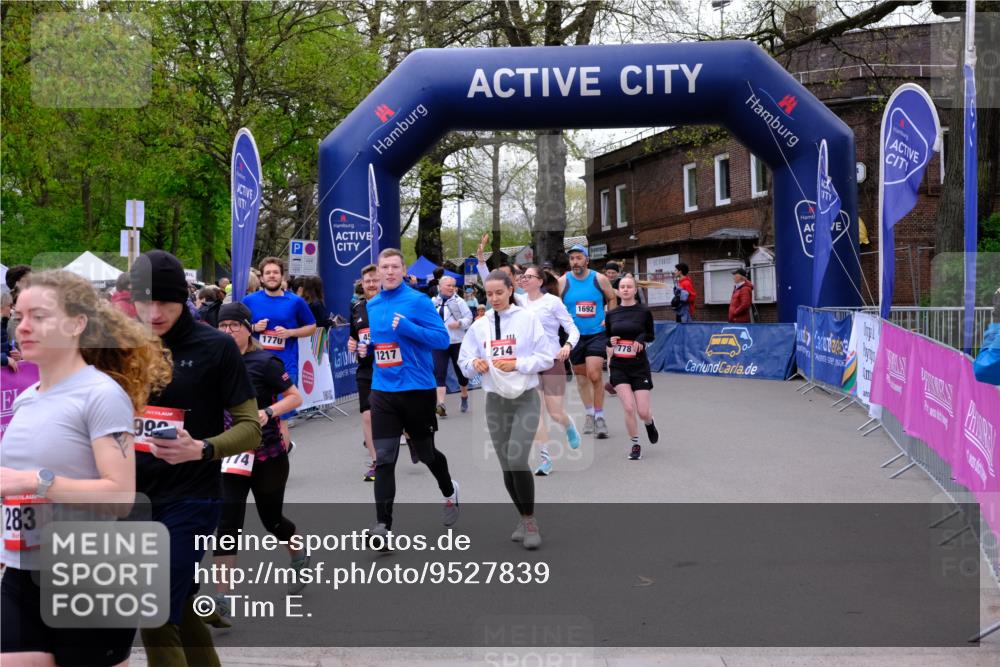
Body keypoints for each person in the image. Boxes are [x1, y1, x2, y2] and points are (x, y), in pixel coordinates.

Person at [1, 269, 171, 667]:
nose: (23, 327)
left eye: (39, 316)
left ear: (78, 324)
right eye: (20, 316)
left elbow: (119, 496)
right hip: (23, 573)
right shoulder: (28, 398)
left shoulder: (101, 396)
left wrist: (32, 481)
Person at [130, 250, 261, 667]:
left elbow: (250, 427)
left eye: (164, 302)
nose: (154, 313)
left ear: (182, 299)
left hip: (193, 497)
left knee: (153, 606)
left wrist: (202, 448)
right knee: (179, 603)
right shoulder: (122, 345)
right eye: (145, 302)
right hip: (132, 500)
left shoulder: (215, 346)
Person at [209, 303, 308, 625]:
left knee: (272, 521)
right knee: (227, 525)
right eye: (222, 326)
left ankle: (298, 553)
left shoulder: (264, 362)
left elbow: (295, 397)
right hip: (232, 455)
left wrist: (269, 412)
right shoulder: (214, 363)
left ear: (247, 328)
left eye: (234, 326)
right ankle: (222, 598)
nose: (227, 332)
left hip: (268, 455)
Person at [365, 248, 459, 542]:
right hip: (383, 389)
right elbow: (381, 345)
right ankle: (383, 526)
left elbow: (441, 339)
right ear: (378, 271)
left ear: (404, 270)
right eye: (385, 267)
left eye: (395, 267)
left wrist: (408, 327)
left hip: (417, 389)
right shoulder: (373, 304)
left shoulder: (418, 301)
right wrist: (364, 349)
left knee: (427, 453)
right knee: (384, 458)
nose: (390, 272)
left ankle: (449, 491)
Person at [459, 270, 555, 549]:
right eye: (489, 294)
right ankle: (522, 517)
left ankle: (530, 521)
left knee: (517, 459)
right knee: (507, 466)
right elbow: (464, 362)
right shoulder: (479, 325)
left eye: (499, 292)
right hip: (495, 402)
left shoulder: (528, 319)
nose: (494, 298)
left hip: (525, 398)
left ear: (511, 290)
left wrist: (517, 364)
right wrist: (474, 364)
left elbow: (546, 358)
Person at [243, 257, 316, 450]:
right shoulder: (249, 301)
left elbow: (311, 327)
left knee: (281, 418)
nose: (272, 276)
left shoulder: (295, 301)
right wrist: (253, 327)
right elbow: (237, 327)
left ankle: (282, 457)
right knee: (255, 416)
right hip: (255, 366)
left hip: (285, 365)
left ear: (282, 276)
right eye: (268, 273)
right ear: (261, 278)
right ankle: (261, 457)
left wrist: (291, 332)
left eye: (275, 272)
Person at [518, 265, 581, 476]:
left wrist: (568, 346)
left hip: (553, 360)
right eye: (523, 276)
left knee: (555, 412)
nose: (524, 279)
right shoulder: (518, 301)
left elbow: (572, 328)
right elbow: (495, 285)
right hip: (530, 363)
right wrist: (482, 264)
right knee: (536, 413)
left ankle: (568, 424)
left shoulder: (552, 302)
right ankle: (545, 459)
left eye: (529, 276)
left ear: (540, 281)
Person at [559, 244, 617, 439]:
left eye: (579, 258)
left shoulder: (599, 279)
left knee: (594, 374)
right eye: (572, 259)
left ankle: (600, 417)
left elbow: (611, 298)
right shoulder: (562, 282)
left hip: (596, 333)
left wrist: (609, 317)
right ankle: (590, 414)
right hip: (574, 337)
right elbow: (554, 306)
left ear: (587, 260)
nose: (575, 262)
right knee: (582, 378)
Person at [605, 274, 658, 461]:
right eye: (622, 287)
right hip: (619, 365)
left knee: (642, 411)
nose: (626, 289)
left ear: (635, 290)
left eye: (629, 286)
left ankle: (649, 422)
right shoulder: (611, 314)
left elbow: (651, 335)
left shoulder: (644, 312)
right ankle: (635, 445)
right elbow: (607, 337)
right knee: (629, 408)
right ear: (618, 291)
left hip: (639, 366)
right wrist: (610, 341)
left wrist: (641, 339)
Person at [347, 264, 382, 482]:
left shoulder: (390, 305)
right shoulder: (357, 307)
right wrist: (351, 345)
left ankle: (410, 435)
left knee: (400, 413)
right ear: (362, 283)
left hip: (390, 368)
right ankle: (376, 462)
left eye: (375, 280)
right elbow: (354, 337)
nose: (371, 284)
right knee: (368, 416)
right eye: (367, 281)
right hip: (366, 369)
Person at [431, 275, 473, 416]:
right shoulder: (433, 302)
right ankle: (441, 405)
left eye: (453, 286)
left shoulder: (459, 301)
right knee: (439, 372)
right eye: (448, 285)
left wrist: (459, 323)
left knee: (461, 373)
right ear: (440, 287)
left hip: (457, 342)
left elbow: (469, 318)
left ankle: (464, 396)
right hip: (439, 342)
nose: (451, 288)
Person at [1, 291, 18, 373]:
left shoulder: (3, 324)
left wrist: (15, 354)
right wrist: (5, 359)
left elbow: (3, 346)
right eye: (10, 306)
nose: (12, 309)